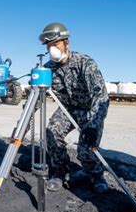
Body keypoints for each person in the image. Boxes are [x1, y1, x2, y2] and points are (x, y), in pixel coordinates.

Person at [39, 22, 110, 193]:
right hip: (67, 109)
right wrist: (23, 124)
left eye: (55, 44)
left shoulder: (84, 62)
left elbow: (101, 96)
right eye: (49, 46)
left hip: (89, 111)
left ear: (66, 43)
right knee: (52, 132)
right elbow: (38, 98)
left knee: (86, 148)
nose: (52, 49)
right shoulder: (48, 69)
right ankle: (60, 172)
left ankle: (95, 174)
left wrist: (93, 125)